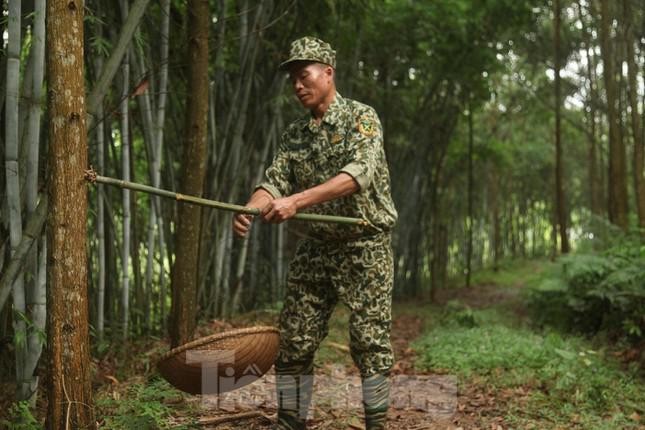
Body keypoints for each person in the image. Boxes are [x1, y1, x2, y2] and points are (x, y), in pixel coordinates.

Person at [232, 36, 397, 430]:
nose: (298, 85)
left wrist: (296, 202)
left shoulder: (362, 118)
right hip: (317, 247)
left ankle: (377, 424)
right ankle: (290, 421)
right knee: (295, 340)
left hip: (365, 244)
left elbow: (358, 175)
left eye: (304, 76)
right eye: (293, 79)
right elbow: (273, 182)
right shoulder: (295, 134)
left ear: (328, 73)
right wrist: (251, 208)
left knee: (369, 343)